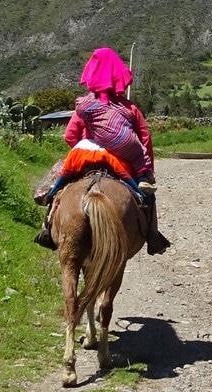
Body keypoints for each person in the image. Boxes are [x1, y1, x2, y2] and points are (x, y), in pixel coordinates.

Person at [32, 47, 167, 254]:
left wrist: (84, 147)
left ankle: (47, 227)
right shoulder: (130, 109)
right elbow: (145, 139)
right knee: (147, 195)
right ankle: (153, 236)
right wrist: (146, 169)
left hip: (83, 157)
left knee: (56, 188)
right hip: (121, 160)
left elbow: (69, 136)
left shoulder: (86, 106)